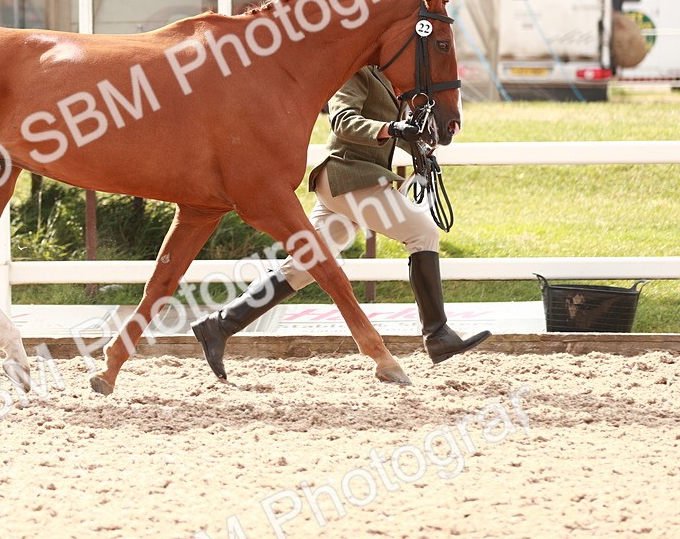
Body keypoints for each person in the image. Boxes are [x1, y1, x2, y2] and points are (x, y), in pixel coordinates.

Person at [191, 65, 490, 379]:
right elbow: (344, 122)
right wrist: (392, 128)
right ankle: (438, 334)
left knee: (303, 267)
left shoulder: (392, 80)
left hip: (349, 184)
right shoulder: (356, 73)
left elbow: (390, 136)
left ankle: (219, 325)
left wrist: (419, 144)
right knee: (423, 233)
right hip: (348, 178)